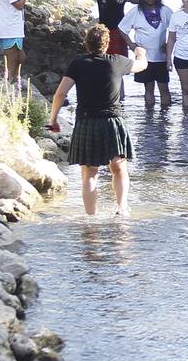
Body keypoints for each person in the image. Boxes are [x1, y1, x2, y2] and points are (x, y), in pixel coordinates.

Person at [50, 25, 149, 217]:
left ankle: (91, 217)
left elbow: (61, 93)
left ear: (86, 43)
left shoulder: (78, 64)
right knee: (119, 167)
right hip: (112, 121)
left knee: (89, 172)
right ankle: (121, 209)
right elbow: (142, 66)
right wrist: (140, 53)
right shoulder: (117, 61)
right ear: (107, 44)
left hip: (87, 121)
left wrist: (53, 119)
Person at [119, 0, 172, 109]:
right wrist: (131, 45)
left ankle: (165, 120)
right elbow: (122, 28)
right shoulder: (136, 12)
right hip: (144, 58)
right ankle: (148, 121)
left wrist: (170, 44)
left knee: (164, 88)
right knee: (148, 89)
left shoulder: (165, 11)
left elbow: (177, 28)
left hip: (161, 57)